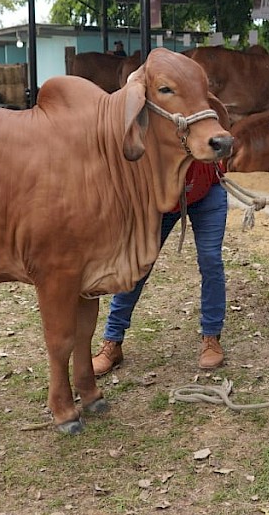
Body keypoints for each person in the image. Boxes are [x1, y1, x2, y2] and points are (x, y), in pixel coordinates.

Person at [91, 160, 229, 374]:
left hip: (207, 188)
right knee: (139, 263)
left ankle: (211, 336)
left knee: (211, 260)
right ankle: (112, 340)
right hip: (160, 194)